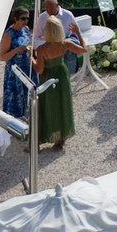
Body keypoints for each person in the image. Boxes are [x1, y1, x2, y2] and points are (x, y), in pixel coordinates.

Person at [30, 8, 76, 149]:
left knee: (46, 106)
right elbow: (84, 49)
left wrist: (30, 57)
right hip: (61, 74)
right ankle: (61, 138)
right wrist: (78, 33)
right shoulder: (65, 44)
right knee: (62, 104)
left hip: (47, 77)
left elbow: (39, 69)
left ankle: (41, 138)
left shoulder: (41, 49)